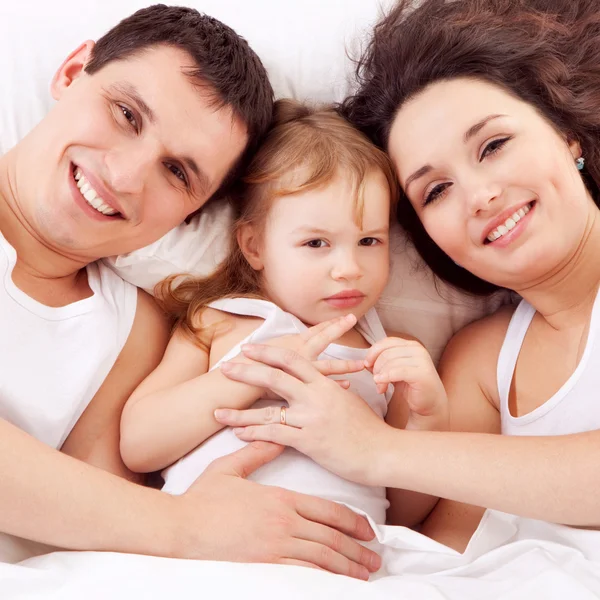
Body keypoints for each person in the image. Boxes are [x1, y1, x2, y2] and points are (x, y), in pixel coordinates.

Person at [0, 5, 381, 576]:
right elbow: (136, 519)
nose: (125, 176)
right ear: (74, 70)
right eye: (127, 114)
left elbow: (92, 528)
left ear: (192, 214)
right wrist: (181, 525)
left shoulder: (135, 329)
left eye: (177, 173)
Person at [214, 0, 600, 551]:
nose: (481, 196)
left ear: (567, 135)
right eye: (436, 191)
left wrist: (374, 447)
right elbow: (447, 559)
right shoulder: (480, 365)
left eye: (493, 146)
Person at [119, 101, 448, 554]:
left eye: (370, 240)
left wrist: (427, 420)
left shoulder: (387, 353)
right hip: (217, 549)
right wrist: (255, 377)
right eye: (317, 243)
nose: (349, 268)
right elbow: (139, 444)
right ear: (255, 246)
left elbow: (402, 510)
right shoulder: (223, 321)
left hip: (339, 564)